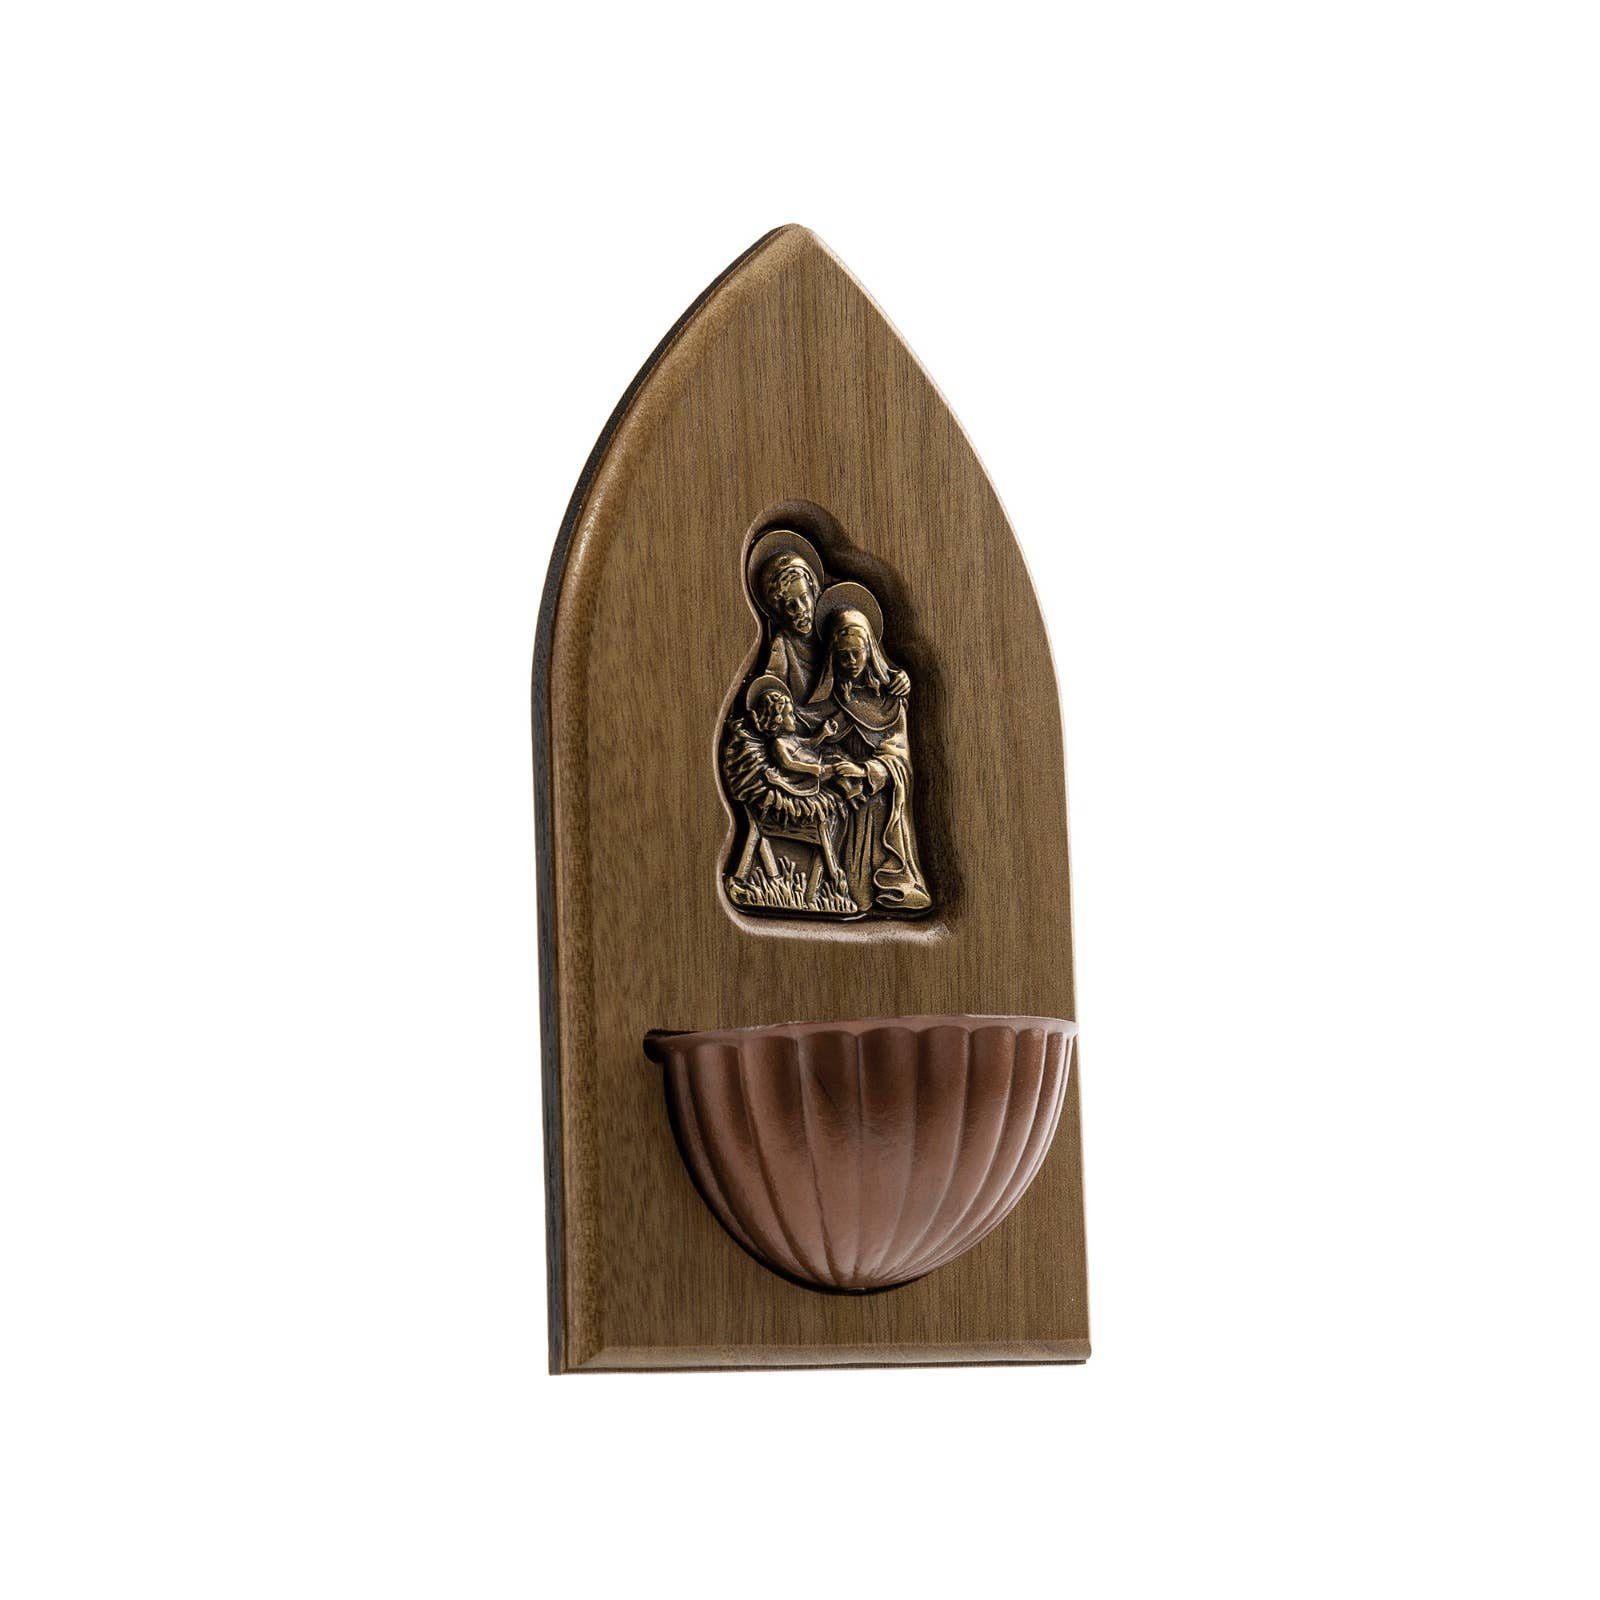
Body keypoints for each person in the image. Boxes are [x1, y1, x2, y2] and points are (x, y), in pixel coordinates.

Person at [804, 607, 931, 912]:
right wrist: (835, 765)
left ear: (870, 650)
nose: (850, 662)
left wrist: (863, 771)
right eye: (842, 655)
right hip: (841, 790)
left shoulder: (889, 699)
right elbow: (809, 734)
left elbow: (899, 759)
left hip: (875, 796)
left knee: (872, 810)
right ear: (832, 657)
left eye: (856, 653)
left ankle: (882, 887)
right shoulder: (831, 698)